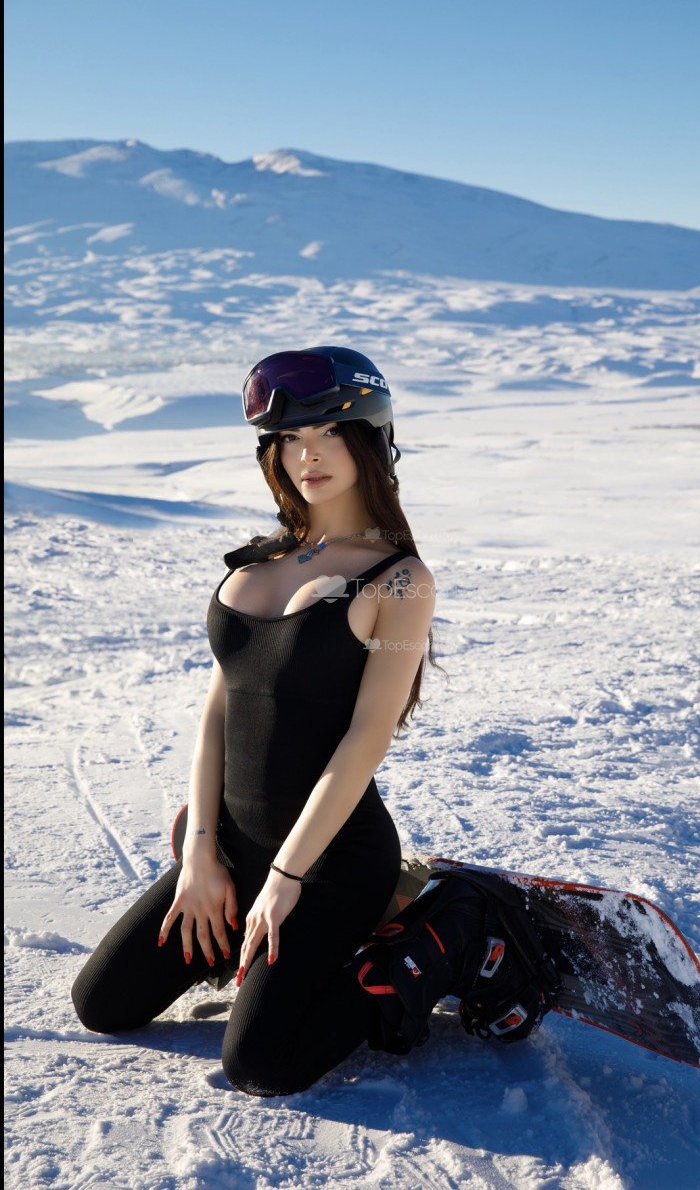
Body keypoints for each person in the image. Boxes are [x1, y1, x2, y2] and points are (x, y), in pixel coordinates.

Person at [72, 346, 532, 1097]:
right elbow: (219, 711)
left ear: (371, 441)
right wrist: (201, 855)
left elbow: (366, 737)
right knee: (103, 1004)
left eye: (329, 433)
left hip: (330, 860)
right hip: (232, 850)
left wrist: (286, 877)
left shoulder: (399, 581)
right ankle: (260, 932)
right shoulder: (255, 564)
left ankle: (453, 928)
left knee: (263, 1063)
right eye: (289, 438)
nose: (306, 455)